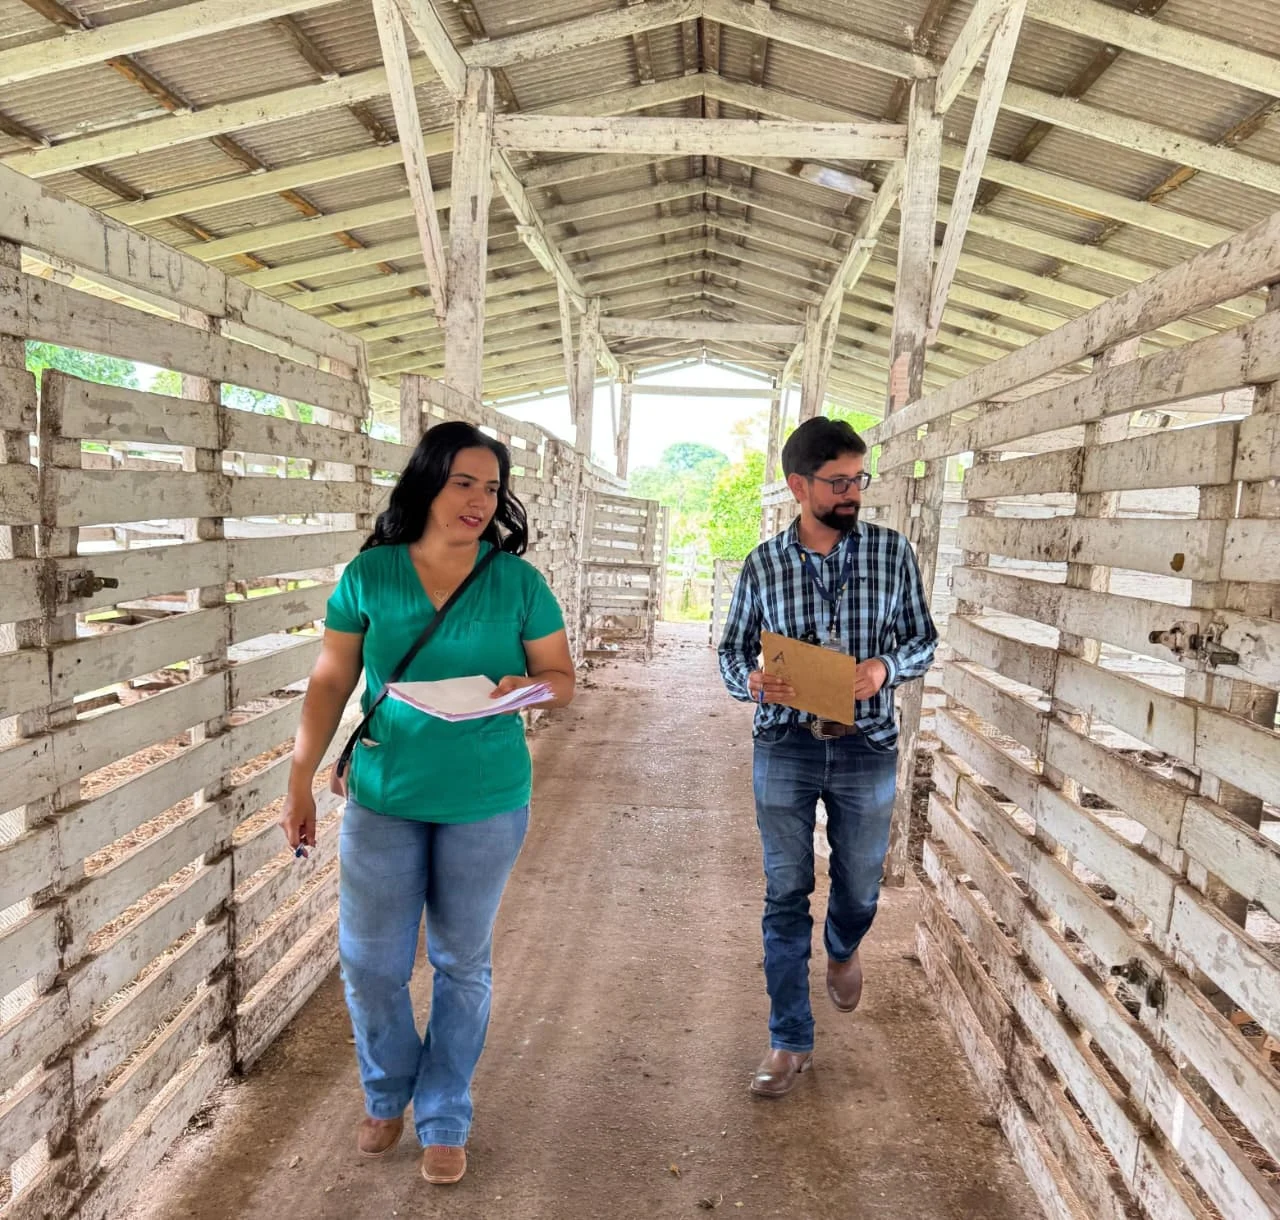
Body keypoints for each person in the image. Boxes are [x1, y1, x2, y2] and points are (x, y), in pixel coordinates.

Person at [280, 420, 575, 1185]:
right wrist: (300, 777)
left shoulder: (518, 582)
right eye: (463, 483)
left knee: (460, 960)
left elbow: (561, 679)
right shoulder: (372, 574)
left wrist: (526, 689)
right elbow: (329, 679)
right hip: (385, 792)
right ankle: (387, 1089)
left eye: (491, 487)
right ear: (427, 485)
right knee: (371, 962)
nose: (480, 500)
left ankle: (444, 1110)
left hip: (485, 797)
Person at [718, 416, 937, 1098]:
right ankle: (789, 1039)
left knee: (861, 884)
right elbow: (729, 652)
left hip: (868, 744)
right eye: (838, 482)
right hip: (784, 743)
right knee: (785, 892)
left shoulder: (893, 553)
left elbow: (925, 641)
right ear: (797, 486)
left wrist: (883, 668)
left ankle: (842, 946)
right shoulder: (763, 564)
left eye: (858, 479)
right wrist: (751, 682)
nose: (852, 493)